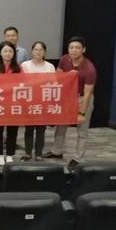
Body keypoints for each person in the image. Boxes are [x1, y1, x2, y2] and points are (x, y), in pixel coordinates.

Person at [44, 36, 97, 168]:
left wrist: (81, 113)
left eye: (77, 48)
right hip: (67, 97)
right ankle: (57, 151)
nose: (74, 50)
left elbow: (87, 94)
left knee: (82, 130)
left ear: (83, 50)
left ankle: (78, 158)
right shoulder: (64, 59)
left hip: (82, 98)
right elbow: (58, 77)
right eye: (71, 48)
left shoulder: (89, 69)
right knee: (61, 125)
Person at [0, 41, 23, 166]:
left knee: (12, 130)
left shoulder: (19, 68)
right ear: (0, 53)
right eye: (5, 51)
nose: (8, 54)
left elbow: (22, 84)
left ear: (14, 53)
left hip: (14, 103)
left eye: (10, 51)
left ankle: (9, 154)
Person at [20, 41, 55, 161]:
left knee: (41, 130)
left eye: (41, 50)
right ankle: (28, 152)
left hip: (43, 102)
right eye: (36, 49)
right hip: (29, 101)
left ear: (44, 52)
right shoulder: (25, 65)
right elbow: (21, 83)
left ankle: (39, 153)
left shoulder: (50, 66)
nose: (38, 52)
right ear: (32, 51)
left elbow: (53, 84)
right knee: (29, 129)